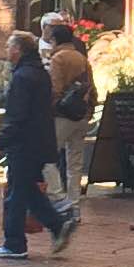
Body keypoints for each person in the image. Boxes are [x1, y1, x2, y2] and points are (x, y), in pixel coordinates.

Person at [0, 31, 66, 258]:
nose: (6, 50)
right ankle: (57, 225)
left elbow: (17, 115)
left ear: (18, 49)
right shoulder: (39, 73)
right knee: (28, 190)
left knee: (16, 193)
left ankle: (14, 243)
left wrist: (1, 141)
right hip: (39, 142)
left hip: (24, 144)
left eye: (8, 46)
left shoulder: (22, 76)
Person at [42, 13, 97, 196]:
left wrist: (49, 110)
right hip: (81, 115)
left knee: (47, 157)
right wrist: (89, 110)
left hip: (62, 116)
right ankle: (74, 203)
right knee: (75, 163)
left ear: (55, 40)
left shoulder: (58, 59)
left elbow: (55, 89)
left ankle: (58, 196)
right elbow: (92, 87)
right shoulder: (82, 58)